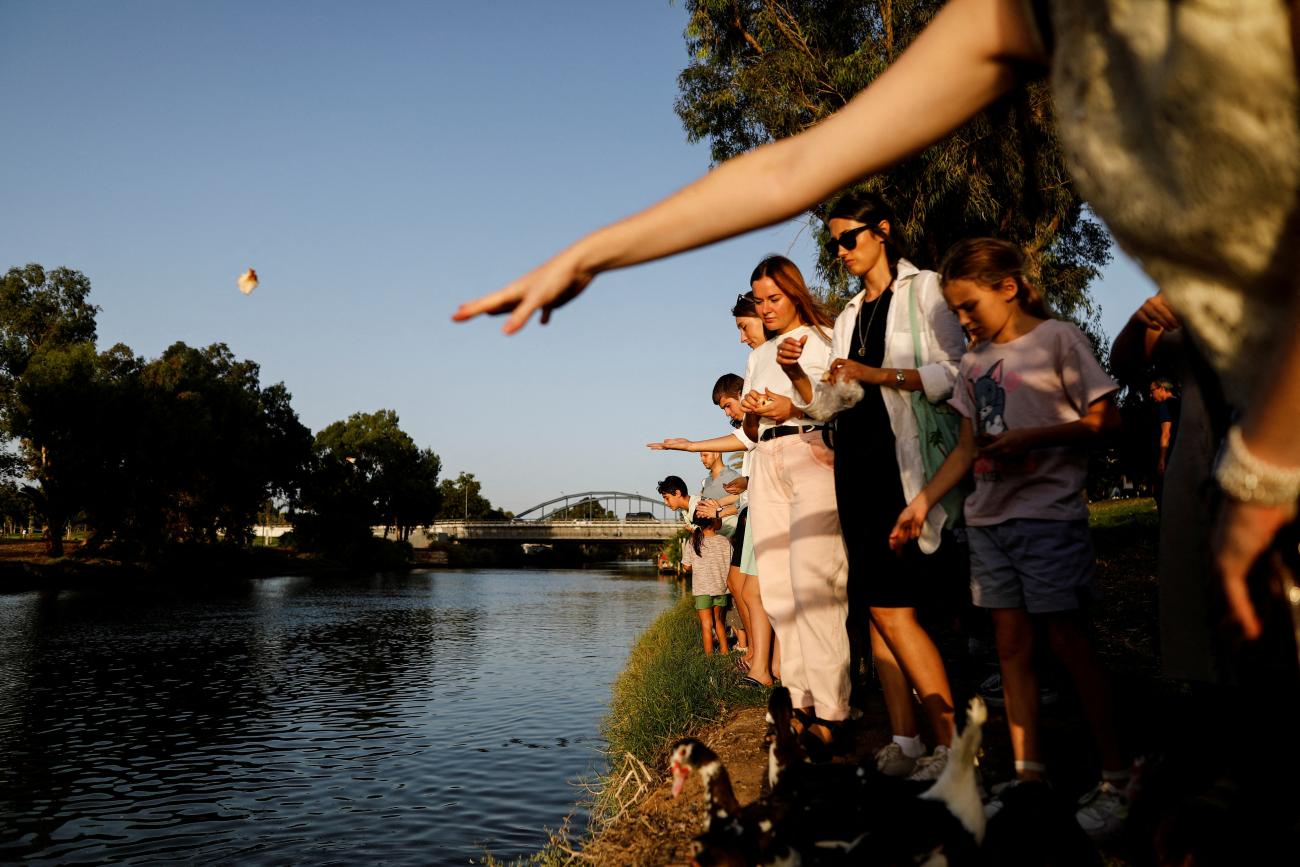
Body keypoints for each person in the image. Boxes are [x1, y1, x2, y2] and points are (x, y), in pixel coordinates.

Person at [453, 0, 1300, 658]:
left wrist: (1268, 461)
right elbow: (794, 165)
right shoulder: (1020, 15)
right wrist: (592, 255)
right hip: (1243, 399)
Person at [889, 238, 1130, 839]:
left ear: (1009, 287)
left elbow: (1106, 419)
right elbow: (968, 447)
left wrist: (1034, 438)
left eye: (969, 306)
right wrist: (920, 503)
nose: (963, 319)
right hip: (990, 521)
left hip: (1047, 518)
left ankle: (1119, 776)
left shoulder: (1058, 340)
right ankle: (1029, 779)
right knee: (1012, 649)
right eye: (955, 309)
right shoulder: (972, 363)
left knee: (1068, 643)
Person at [778, 191, 965, 780]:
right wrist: (797, 380)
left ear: (883, 230)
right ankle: (907, 740)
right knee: (878, 611)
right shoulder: (852, 313)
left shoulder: (927, 290)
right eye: (834, 243)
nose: (841, 251)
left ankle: (955, 748)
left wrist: (878, 373)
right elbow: (840, 399)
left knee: (897, 609)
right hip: (855, 468)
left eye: (849, 237)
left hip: (900, 464)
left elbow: (957, 374)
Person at [650, 256, 846, 755]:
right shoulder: (759, 356)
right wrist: (749, 423)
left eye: (771, 300)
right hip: (771, 465)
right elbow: (751, 430)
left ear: (794, 294)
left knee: (817, 589)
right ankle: (799, 702)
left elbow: (841, 404)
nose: (764, 310)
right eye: (759, 302)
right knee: (779, 593)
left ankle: (832, 709)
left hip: (809, 453)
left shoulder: (823, 340)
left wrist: (792, 405)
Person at [681, 513, 732, 655]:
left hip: (703, 589)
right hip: (721, 588)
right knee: (719, 621)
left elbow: (686, 566)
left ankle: (709, 656)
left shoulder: (693, 541)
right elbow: (732, 563)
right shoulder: (724, 541)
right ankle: (724, 651)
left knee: (706, 624)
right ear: (714, 521)